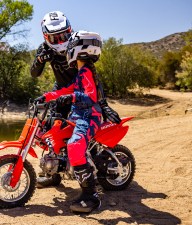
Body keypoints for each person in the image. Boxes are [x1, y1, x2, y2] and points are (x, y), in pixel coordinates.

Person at [32, 12, 121, 188]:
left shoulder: (78, 43)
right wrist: (41, 59)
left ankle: (91, 170)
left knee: (84, 132)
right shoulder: (44, 48)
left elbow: (93, 77)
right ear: (46, 36)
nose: (60, 40)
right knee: (52, 129)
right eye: (55, 37)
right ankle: (54, 174)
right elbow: (34, 73)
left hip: (81, 90)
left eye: (63, 35)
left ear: (70, 30)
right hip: (62, 90)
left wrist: (103, 105)